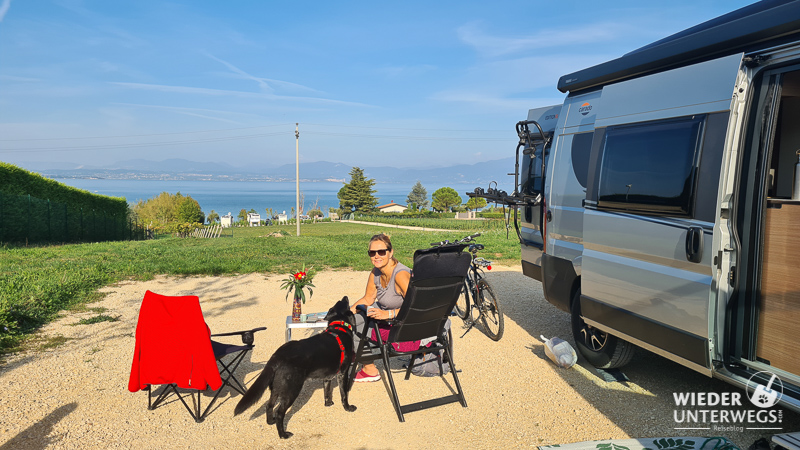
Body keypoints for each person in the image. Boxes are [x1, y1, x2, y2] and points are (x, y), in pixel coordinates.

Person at [349, 233, 411, 382]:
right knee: (352, 320)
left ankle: (368, 368)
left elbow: (416, 307)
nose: (376, 256)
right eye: (372, 252)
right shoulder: (376, 272)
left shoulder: (400, 274)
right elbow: (368, 298)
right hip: (389, 320)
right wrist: (345, 314)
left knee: (358, 327)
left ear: (391, 253)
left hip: (404, 327)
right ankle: (360, 358)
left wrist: (388, 314)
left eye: (381, 252)